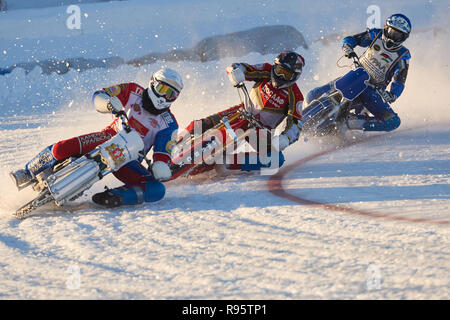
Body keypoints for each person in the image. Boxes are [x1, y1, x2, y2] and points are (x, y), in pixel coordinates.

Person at [10, 68, 183, 208]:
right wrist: (108, 103)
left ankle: (115, 197)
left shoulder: (169, 124)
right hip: (106, 138)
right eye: (162, 89)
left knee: (157, 190)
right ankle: (28, 172)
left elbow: (163, 152)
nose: (164, 97)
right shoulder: (133, 91)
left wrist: (161, 166)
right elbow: (100, 94)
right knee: (60, 149)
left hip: (128, 159)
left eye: (171, 95)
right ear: (153, 84)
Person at [178, 51, 305, 176]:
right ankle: (173, 144)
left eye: (286, 74)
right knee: (202, 124)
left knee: (276, 159)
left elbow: (296, 124)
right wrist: (235, 71)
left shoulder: (296, 95)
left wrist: (285, 138)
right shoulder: (266, 70)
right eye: (278, 71)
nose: (280, 77)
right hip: (241, 112)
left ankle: (226, 162)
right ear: (274, 67)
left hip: (260, 130)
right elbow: (243, 68)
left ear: (295, 76)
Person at [306, 13, 411, 132]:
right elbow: (353, 39)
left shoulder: (403, 56)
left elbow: (400, 81)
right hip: (354, 78)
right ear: (386, 28)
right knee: (312, 95)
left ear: (404, 37)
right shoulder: (375, 35)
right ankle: (300, 118)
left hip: (371, 91)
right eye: (391, 32)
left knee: (392, 122)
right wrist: (347, 46)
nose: (392, 38)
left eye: (398, 35)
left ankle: (348, 122)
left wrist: (392, 94)